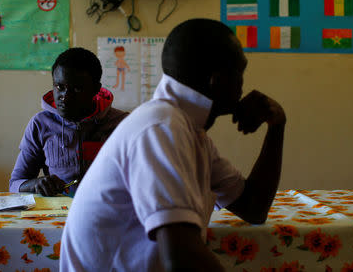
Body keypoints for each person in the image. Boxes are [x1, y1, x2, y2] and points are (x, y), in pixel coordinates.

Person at [60, 19, 286, 271]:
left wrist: (277, 126)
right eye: (240, 72)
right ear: (217, 80)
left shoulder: (185, 130)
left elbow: (253, 207)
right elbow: (181, 258)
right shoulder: (162, 129)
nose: (244, 83)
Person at [9, 48, 128, 196]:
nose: (65, 97)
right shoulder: (41, 124)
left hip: (109, 213)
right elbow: (15, 184)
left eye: (77, 89)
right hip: (58, 216)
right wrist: (36, 183)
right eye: (60, 87)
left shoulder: (122, 125)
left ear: (96, 89)